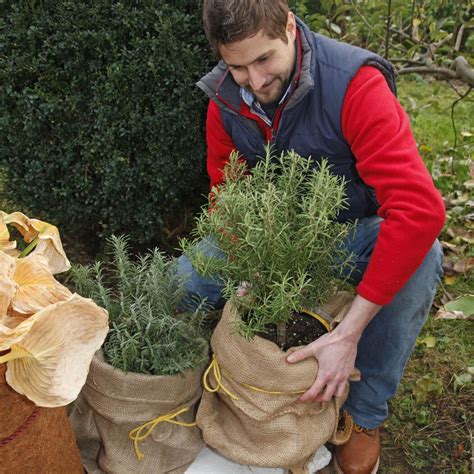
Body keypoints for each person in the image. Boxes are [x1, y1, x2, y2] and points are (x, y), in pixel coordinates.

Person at [178, 1, 445, 472]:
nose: (255, 82)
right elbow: (228, 195)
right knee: (180, 282)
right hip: (272, 238)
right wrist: (250, 266)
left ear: (288, 26)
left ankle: (364, 415)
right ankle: (201, 384)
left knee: (423, 256)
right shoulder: (223, 98)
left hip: (349, 235)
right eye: (237, 66)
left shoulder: (355, 84)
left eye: (264, 60)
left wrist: (348, 333)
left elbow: (420, 210)